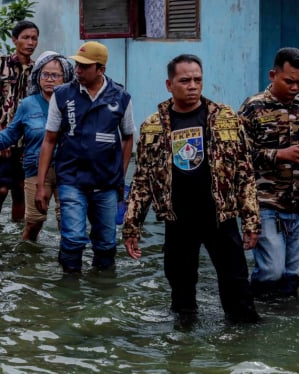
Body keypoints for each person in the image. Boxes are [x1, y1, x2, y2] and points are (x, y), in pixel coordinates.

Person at [123, 54, 261, 324]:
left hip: (220, 215)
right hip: (178, 218)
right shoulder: (153, 126)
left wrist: (251, 220)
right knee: (181, 289)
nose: (193, 85)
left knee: (237, 286)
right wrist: (132, 226)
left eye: (197, 79)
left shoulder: (226, 118)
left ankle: (243, 345)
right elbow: (142, 181)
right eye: (184, 80)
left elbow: (245, 172)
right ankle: (184, 345)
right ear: (169, 84)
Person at [35, 41, 134, 273]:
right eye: (77, 65)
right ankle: (70, 293)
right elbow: (49, 140)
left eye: (84, 66)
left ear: (101, 70)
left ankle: (103, 291)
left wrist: (120, 175)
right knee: (73, 239)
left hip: (107, 182)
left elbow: (128, 137)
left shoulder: (120, 97)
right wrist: (41, 185)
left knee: (107, 243)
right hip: (72, 180)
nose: (77, 70)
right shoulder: (62, 95)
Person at [239, 47, 299, 299]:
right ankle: (253, 314)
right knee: (271, 271)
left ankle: (286, 322)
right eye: (289, 81)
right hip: (266, 204)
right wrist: (279, 154)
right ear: (272, 75)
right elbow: (237, 156)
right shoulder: (252, 108)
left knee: (292, 277)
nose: (295, 87)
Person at [0, 51, 74, 241]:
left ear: (65, 77)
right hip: (35, 168)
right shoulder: (28, 104)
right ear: (37, 76)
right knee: (34, 223)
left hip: (68, 169)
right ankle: (27, 263)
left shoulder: (72, 104)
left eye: (55, 75)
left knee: (68, 223)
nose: (49, 80)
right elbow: (11, 133)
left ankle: (68, 263)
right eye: (45, 74)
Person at [0, 20, 39, 225]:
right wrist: (1, 137)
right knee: (0, 189)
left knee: (20, 189)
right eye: (25, 37)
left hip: (26, 140)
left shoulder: (38, 69)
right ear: (14, 39)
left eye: (34, 38)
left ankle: (17, 238)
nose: (30, 42)